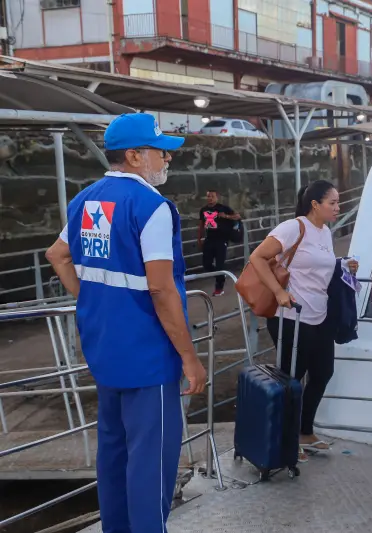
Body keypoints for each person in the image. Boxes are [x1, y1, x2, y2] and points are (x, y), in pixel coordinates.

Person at [44, 113, 207, 532]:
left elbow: (57, 255)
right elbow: (161, 289)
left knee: (114, 455)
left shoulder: (86, 201)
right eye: (160, 152)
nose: (167, 160)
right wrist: (189, 358)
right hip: (148, 355)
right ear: (134, 156)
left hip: (103, 349)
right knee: (152, 461)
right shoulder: (152, 207)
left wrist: (93, 299)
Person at [248, 180, 358, 462]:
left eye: (338, 202)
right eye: (332, 203)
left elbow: (317, 265)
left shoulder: (326, 232)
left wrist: (342, 264)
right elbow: (257, 257)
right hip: (291, 316)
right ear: (315, 205)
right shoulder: (292, 228)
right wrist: (279, 292)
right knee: (291, 379)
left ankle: (305, 431)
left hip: (320, 315)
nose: (338, 207)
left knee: (323, 373)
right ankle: (286, 438)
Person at [197, 190, 240, 296]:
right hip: (209, 239)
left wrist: (226, 216)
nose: (210, 198)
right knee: (207, 265)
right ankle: (221, 275)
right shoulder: (203, 210)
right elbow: (201, 225)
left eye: (212, 196)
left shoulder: (224, 208)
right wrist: (199, 238)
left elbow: (237, 217)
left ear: (217, 197)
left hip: (221, 240)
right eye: (208, 196)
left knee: (220, 264)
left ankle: (219, 288)